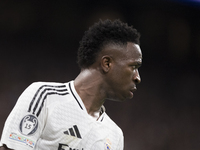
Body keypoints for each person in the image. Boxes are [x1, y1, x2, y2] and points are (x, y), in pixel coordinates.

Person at [0, 19, 142, 150]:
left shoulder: (115, 135)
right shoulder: (44, 97)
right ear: (107, 63)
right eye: (134, 67)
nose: (137, 78)